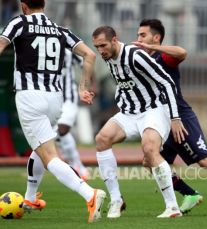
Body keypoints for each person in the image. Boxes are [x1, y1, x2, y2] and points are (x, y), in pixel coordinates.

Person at [131, 19, 207, 216]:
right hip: (160, 121)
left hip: (180, 119)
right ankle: (190, 194)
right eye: (138, 35)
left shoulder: (165, 57)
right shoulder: (142, 60)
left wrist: (152, 47)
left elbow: (182, 53)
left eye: (142, 35)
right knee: (149, 161)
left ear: (156, 38)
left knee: (205, 161)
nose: (139, 39)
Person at [0, 0, 106, 223]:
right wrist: (82, 87)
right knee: (42, 145)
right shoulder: (60, 30)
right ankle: (30, 198)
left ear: (23, 5)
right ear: (45, 4)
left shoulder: (19, 23)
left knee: (49, 156)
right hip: (56, 99)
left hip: (30, 96)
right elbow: (90, 55)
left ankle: (90, 194)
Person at [87, 25, 186, 218]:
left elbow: (167, 82)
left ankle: (172, 207)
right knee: (102, 139)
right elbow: (126, 83)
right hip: (130, 113)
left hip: (154, 110)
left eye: (103, 45)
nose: (100, 51)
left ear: (114, 40)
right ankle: (116, 199)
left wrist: (175, 117)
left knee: (149, 149)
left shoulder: (135, 55)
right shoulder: (109, 57)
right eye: (97, 47)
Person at [56, 48, 98, 181]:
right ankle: (72, 167)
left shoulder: (68, 51)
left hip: (68, 98)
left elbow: (87, 62)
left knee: (62, 129)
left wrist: (93, 84)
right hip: (49, 99)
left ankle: (77, 165)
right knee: (55, 135)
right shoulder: (38, 51)